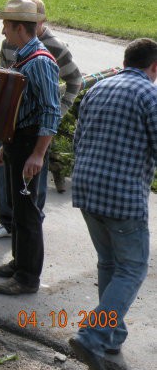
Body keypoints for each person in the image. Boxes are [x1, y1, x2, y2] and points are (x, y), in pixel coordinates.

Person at [68, 38, 157, 369]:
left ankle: (112, 335)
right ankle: (92, 336)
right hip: (123, 197)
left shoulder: (98, 88)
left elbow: (79, 139)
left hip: (87, 190)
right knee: (132, 268)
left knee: (109, 263)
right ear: (154, 66)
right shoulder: (149, 94)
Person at [0, 0, 82, 239]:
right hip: (11, 125)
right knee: (4, 175)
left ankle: (29, 230)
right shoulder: (11, 45)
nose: (2, 31)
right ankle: (9, 224)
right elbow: (6, 79)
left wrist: (57, 115)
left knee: (30, 186)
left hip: (31, 129)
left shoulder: (48, 51)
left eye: (7, 25)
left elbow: (73, 82)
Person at [0, 0, 60, 295]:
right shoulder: (23, 55)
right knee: (18, 209)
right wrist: (6, 144)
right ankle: (19, 263)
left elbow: (50, 110)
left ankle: (28, 278)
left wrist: (38, 154)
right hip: (18, 141)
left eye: (6, 25)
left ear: (19, 27)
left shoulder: (40, 61)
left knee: (28, 214)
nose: (3, 31)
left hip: (31, 143)